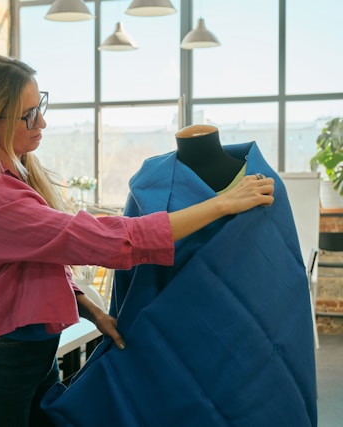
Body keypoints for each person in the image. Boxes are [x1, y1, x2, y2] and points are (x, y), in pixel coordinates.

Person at [0, 52, 275, 427]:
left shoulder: (12, 173)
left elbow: (39, 255)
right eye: (29, 115)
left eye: (41, 107)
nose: (43, 122)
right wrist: (221, 204)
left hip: (30, 353)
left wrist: (91, 309)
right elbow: (107, 239)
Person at [42, 127, 317, 426]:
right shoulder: (148, 190)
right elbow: (135, 275)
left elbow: (281, 276)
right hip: (174, 341)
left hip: (247, 346)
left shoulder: (263, 185)